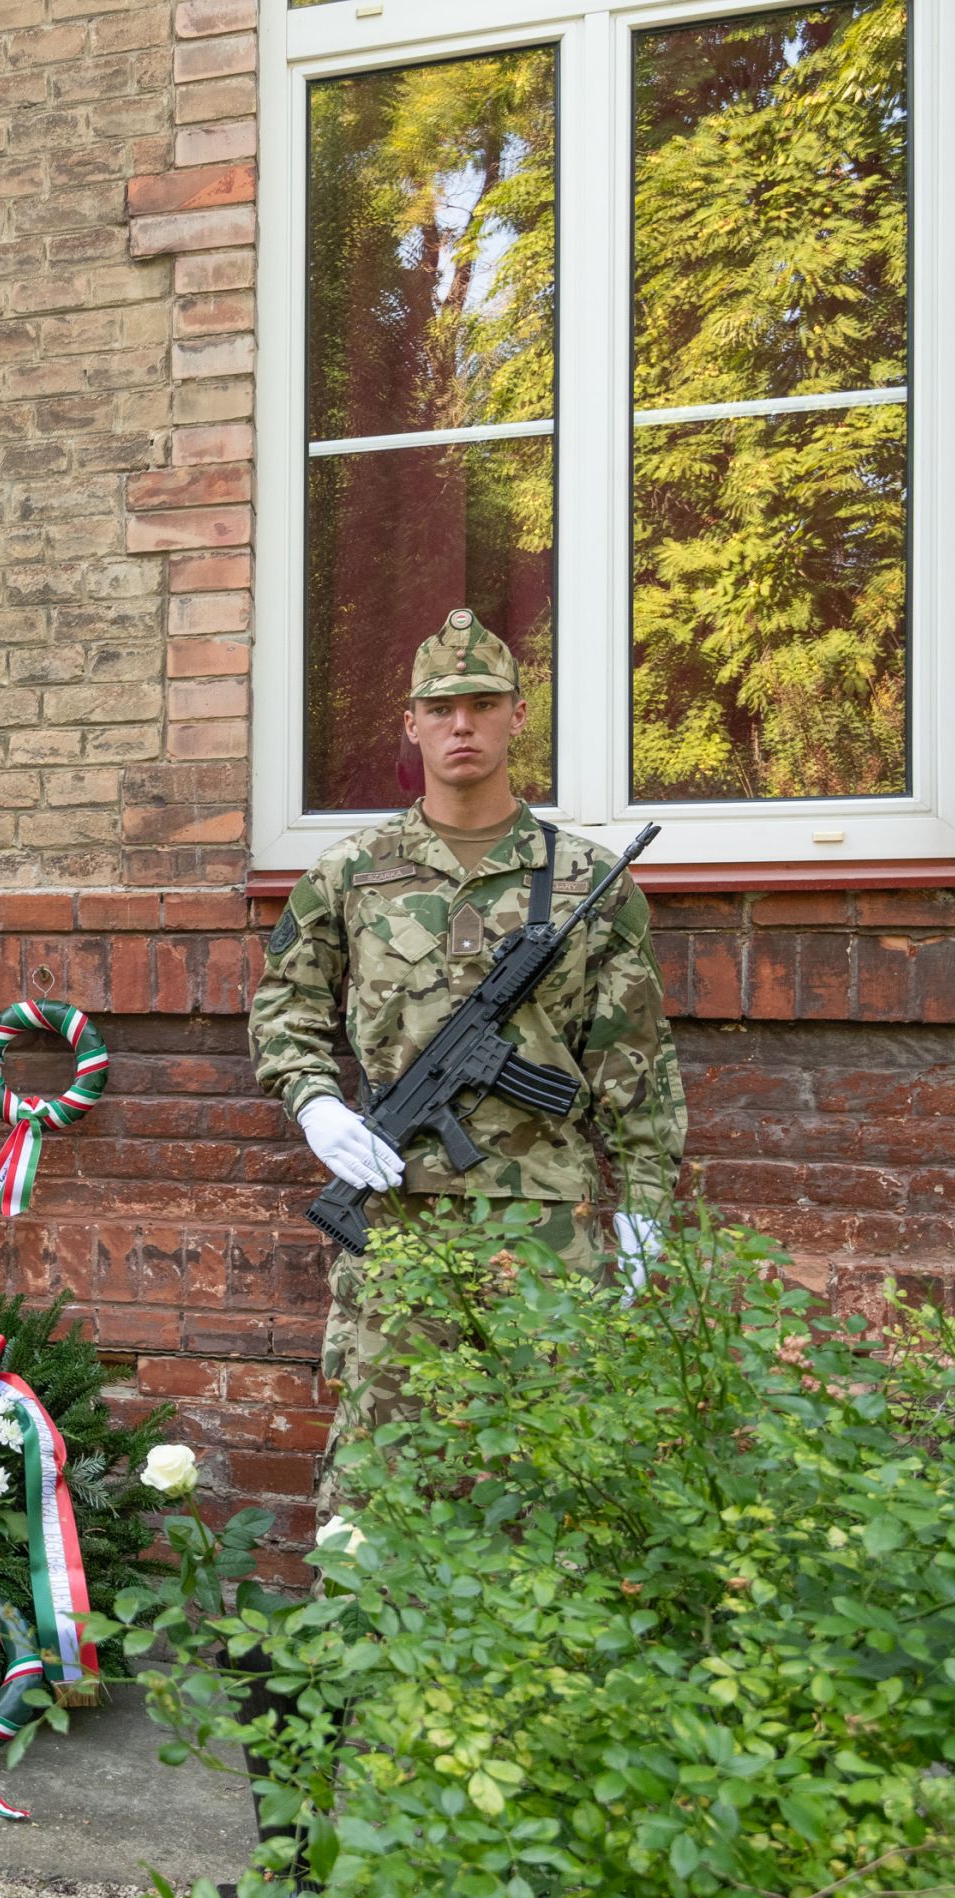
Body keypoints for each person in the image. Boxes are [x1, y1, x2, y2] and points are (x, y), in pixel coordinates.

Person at [250, 610, 685, 1514]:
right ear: (409, 721)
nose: (462, 724)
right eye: (441, 707)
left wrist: (644, 1207)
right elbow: (285, 1007)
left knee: (553, 1475)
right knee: (382, 1478)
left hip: (546, 1229)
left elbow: (636, 1062)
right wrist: (316, 1106)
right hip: (395, 1223)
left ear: (519, 716)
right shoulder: (350, 874)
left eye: (483, 704)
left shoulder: (585, 882)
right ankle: (362, 1651)